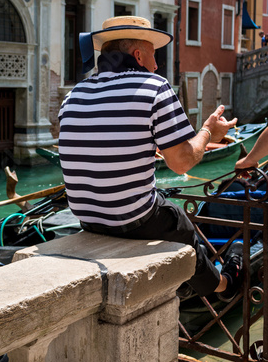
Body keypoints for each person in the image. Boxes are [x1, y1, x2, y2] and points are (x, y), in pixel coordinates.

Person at [59, 15, 242, 302]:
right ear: (138, 55)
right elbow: (181, 163)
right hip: (133, 218)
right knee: (179, 221)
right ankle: (222, 285)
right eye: (154, 56)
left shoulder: (73, 95)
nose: (157, 65)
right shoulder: (154, 86)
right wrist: (208, 131)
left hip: (86, 219)